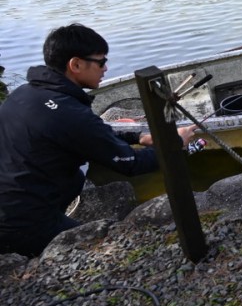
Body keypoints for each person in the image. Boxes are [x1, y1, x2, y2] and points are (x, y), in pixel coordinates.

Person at [0, 24, 198, 258]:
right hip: (26, 222)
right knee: (110, 251)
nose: (106, 68)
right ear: (75, 65)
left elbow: (90, 132)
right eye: (101, 62)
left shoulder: (25, 93)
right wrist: (175, 144)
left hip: (13, 206)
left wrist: (138, 136)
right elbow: (131, 164)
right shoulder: (69, 113)